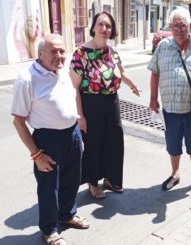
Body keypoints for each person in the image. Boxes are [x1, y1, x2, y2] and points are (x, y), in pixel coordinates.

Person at [11, 34, 89, 245]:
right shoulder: (27, 78)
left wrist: (77, 132)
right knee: (48, 188)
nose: (59, 56)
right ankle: (49, 230)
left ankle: (68, 214)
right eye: (53, 51)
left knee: (72, 180)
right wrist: (36, 154)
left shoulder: (63, 71)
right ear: (40, 54)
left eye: (62, 51)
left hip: (71, 134)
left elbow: (72, 98)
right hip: (48, 139)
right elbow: (18, 121)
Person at [148, 8, 191, 196]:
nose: (179, 29)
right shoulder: (163, 46)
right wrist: (153, 99)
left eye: (182, 25)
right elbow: (155, 73)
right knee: (173, 146)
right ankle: (175, 174)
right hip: (171, 109)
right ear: (170, 27)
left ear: (190, 25)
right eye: (175, 25)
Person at [70, 11, 140, 199]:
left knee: (114, 142)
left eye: (108, 26)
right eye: (101, 24)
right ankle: (93, 182)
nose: (104, 29)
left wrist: (132, 84)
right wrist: (80, 115)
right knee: (93, 144)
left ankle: (111, 178)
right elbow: (74, 87)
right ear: (93, 27)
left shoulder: (112, 52)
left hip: (112, 102)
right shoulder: (81, 53)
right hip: (90, 104)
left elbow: (122, 72)